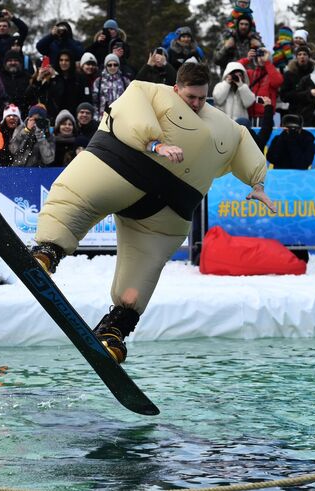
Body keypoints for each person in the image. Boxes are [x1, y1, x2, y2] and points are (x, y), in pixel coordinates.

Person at [28, 63, 274, 363]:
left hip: (166, 211)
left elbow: (243, 143)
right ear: (175, 88)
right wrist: (155, 144)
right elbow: (132, 109)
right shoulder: (148, 90)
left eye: (201, 98)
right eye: (190, 97)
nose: (196, 104)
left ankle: (115, 330)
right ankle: (47, 251)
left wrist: (258, 182)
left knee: (140, 275)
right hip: (121, 169)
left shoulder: (225, 127)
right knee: (74, 198)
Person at [239, 47, 283, 124]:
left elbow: (277, 82)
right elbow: (234, 68)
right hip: (249, 115)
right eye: (259, 56)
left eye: (263, 55)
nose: (261, 58)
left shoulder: (272, 73)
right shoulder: (251, 74)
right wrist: (247, 59)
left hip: (265, 116)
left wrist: (267, 62)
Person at [92, 53, 129, 120]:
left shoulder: (125, 81)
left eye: (115, 65)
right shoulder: (98, 81)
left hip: (121, 118)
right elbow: (95, 102)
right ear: (106, 66)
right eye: (109, 65)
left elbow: (129, 100)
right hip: (103, 118)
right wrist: (96, 118)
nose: (113, 67)